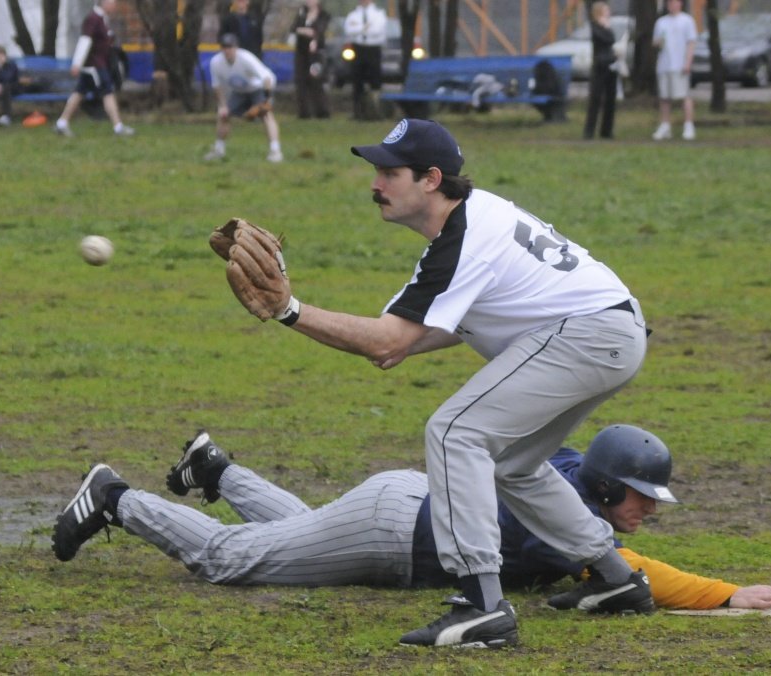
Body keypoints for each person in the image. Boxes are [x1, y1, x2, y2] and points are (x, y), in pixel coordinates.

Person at [215, 117, 658, 648]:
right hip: (607, 331)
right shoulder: (469, 224)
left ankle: (481, 604)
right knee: (512, 464)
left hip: (587, 334)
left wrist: (289, 310)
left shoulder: (465, 239)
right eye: (376, 170)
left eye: (389, 172)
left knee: (454, 432)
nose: (375, 184)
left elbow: (385, 341)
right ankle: (615, 579)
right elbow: (396, 342)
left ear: (430, 178)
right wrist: (352, 331)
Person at [50, 425, 771, 621]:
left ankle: (216, 471)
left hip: (404, 504)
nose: (644, 512)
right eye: (637, 498)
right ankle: (115, 497)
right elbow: (629, 572)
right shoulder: (568, 514)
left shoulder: (565, 471)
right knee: (231, 561)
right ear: (603, 489)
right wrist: (725, 594)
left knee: (301, 532)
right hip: (389, 535)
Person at [54, 0, 134, 138]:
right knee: (108, 92)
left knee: (79, 93)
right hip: (95, 66)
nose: (115, 5)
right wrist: (77, 63)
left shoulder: (103, 19)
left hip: (96, 65)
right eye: (112, 2)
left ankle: (62, 123)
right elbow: (85, 41)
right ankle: (118, 126)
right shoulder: (93, 19)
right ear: (104, 3)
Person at [204, 32, 283, 163]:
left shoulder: (246, 58)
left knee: (266, 115)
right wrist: (223, 106)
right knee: (223, 115)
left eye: (230, 47)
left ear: (236, 48)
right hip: (239, 91)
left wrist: (267, 100)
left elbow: (267, 78)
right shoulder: (216, 62)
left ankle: (275, 151)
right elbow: (216, 86)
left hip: (258, 88)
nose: (227, 50)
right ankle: (219, 150)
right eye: (224, 47)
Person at [652, 0, 697, 141]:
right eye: (670, 3)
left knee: (684, 96)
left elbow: (691, 42)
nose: (673, 5)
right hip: (664, 65)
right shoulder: (661, 22)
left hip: (680, 64)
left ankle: (689, 125)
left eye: (675, 3)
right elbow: (655, 42)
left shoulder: (687, 20)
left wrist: (687, 62)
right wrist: (659, 42)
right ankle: (665, 125)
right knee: (665, 97)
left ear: (680, 4)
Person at [343, 0, 387, 120]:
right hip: (358, 49)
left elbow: (377, 30)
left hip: (373, 49)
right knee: (357, 81)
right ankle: (358, 112)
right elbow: (349, 30)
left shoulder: (379, 14)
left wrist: (358, 28)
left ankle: (376, 111)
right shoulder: (353, 15)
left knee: (375, 81)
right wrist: (365, 27)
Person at [289, 0, 331, 119]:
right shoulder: (301, 12)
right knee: (300, 80)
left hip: (315, 52)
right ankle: (304, 112)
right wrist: (303, 30)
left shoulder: (323, 15)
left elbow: (319, 30)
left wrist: (314, 38)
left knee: (316, 80)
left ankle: (322, 111)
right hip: (301, 51)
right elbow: (294, 28)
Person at [583, 2, 619, 140]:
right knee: (595, 99)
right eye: (606, 10)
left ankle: (607, 130)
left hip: (610, 64)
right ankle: (589, 131)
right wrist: (605, 27)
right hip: (599, 66)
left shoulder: (608, 26)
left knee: (611, 98)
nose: (608, 12)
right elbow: (607, 39)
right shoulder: (595, 27)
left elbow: (612, 40)